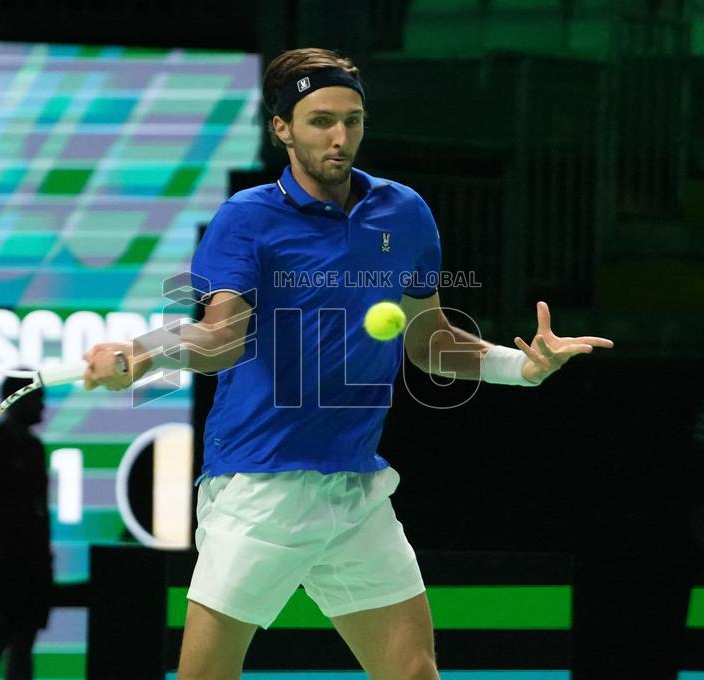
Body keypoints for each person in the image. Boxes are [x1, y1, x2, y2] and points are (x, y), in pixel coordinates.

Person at [83, 48, 614, 680]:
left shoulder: (404, 213)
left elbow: (429, 341)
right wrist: (146, 352)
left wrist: (520, 368)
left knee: (413, 672)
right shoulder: (247, 219)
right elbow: (221, 337)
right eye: (320, 121)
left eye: (353, 120)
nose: (341, 138)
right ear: (281, 128)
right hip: (262, 485)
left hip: (356, 487)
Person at [0, 376, 52, 680]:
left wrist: (44, 559)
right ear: (17, 400)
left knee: (25, 641)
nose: (42, 406)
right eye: (36, 398)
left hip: (33, 564)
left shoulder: (34, 448)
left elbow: (41, 509)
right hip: (1, 565)